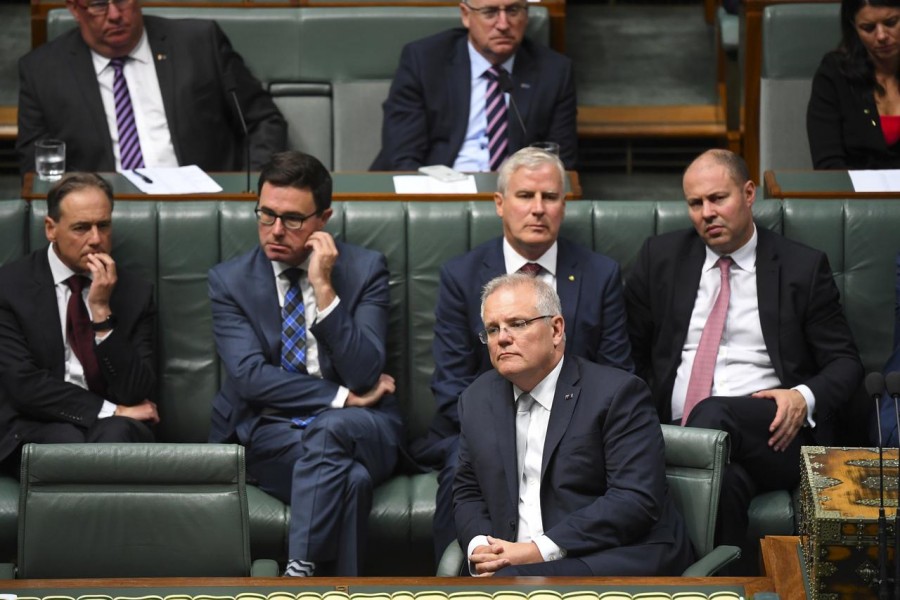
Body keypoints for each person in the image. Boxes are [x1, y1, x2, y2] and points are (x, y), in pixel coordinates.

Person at [624, 149, 864, 572]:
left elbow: (845, 363)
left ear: (749, 193)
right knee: (727, 485)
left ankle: (658, 510)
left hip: (774, 434)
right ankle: (714, 586)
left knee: (713, 411)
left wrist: (801, 397)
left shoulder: (799, 267)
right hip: (679, 432)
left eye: (718, 198)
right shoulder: (660, 259)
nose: (707, 213)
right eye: (696, 204)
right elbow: (630, 353)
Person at [418, 146, 633, 561]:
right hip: (487, 423)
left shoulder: (599, 272)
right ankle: (460, 576)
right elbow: (449, 383)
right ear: (499, 203)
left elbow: (616, 369)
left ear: (564, 205)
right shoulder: (461, 275)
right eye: (524, 196)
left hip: (579, 425)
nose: (538, 209)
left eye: (550, 197)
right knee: (460, 469)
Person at [207, 151, 403, 577]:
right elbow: (250, 378)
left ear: (323, 218)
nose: (276, 230)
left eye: (293, 219)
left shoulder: (366, 269)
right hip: (273, 430)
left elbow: (366, 371)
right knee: (351, 480)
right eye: (266, 214)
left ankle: (297, 576)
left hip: (363, 430)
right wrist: (342, 398)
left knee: (330, 429)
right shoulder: (230, 281)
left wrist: (323, 288)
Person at [453, 273, 693, 576]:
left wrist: (536, 551)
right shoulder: (477, 399)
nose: (502, 338)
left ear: (556, 330)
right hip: (512, 560)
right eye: (492, 329)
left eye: (517, 324)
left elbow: (634, 500)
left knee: (504, 585)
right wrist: (479, 547)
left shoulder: (617, 394)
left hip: (609, 553)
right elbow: (468, 491)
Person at [0, 172, 159, 476]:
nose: (96, 240)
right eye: (81, 228)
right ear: (51, 229)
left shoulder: (135, 292)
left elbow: (137, 390)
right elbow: (23, 384)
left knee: (113, 438)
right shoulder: (9, 286)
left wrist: (101, 312)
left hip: (115, 431)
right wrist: (112, 410)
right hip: (37, 423)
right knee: (65, 443)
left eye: (104, 225)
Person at [17, 0, 287, 176]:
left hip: (203, 203)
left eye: (122, 0)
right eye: (99, 5)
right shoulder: (43, 71)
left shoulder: (199, 42)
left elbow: (263, 120)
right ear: (75, 9)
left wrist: (253, 187)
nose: (114, 15)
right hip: (100, 217)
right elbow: (36, 165)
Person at [370, 0, 577, 171]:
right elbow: (402, 155)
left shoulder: (554, 72)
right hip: (437, 193)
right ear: (466, 15)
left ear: (526, 14)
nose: (503, 24)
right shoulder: (424, 60)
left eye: (513, 10)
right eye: (490, 12)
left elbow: (560, 163)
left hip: (513, 199)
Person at [807, 0, 900, 169]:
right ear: (854, 27)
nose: (881, 36)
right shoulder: (834, 74)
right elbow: (828, 164)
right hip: (853, 192)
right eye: (868, 28)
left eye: (891, 23)